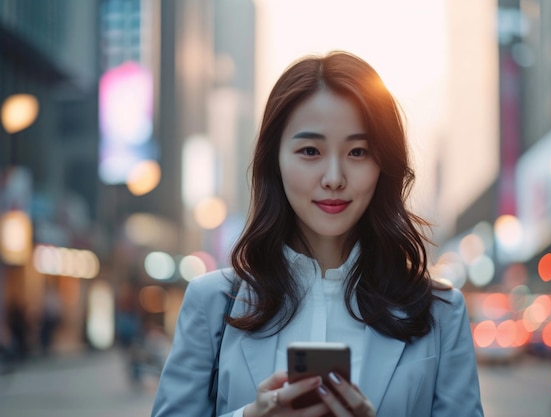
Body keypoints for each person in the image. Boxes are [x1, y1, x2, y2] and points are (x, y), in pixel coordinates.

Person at [151, 50, 484, 417]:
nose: (334, 178)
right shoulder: (212, 301)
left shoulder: (440, 312)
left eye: (358, 152)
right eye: (310, 150)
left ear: (383, 164)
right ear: (274, 159)